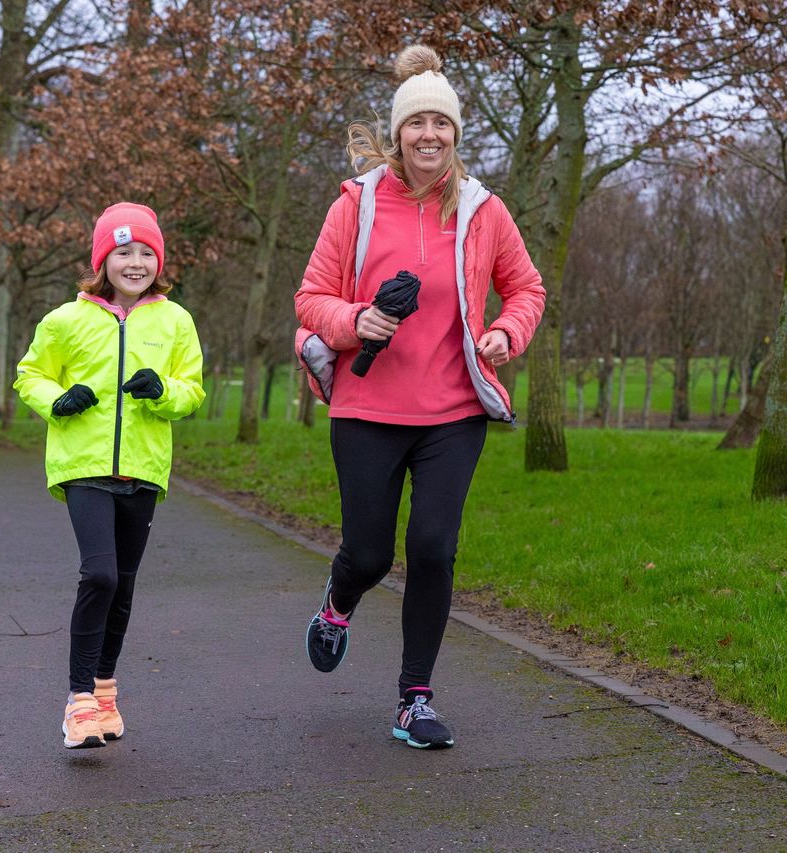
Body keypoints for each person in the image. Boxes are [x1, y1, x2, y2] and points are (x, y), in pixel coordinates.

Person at [294, 45, 546, 750]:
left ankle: (414, 699)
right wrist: (356, 321)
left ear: (456, 133)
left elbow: (526, 289)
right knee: (370, 554)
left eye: (442, 123)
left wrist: (505, 332)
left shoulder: (484, 211)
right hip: (368, 406)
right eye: (416, 123)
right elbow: (311, 297)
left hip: (453, 411)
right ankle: (339, 603)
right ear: (397, 133)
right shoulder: (358, 204)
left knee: (433, 548)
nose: (429, 134)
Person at [14, 203, 205, 749]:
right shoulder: (65, 320)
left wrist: (162, 391)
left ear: (158, 262)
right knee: (99, 575)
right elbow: (30, 374)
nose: (136, 262)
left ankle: (104, 693)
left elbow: (191, 389)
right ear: (104, 260)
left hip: (143, 469)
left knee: (122, 585)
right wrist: (59, 400)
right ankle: (78, 701)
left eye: (146, 253)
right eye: (124, 252)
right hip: (84, 466)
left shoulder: (175, 320)